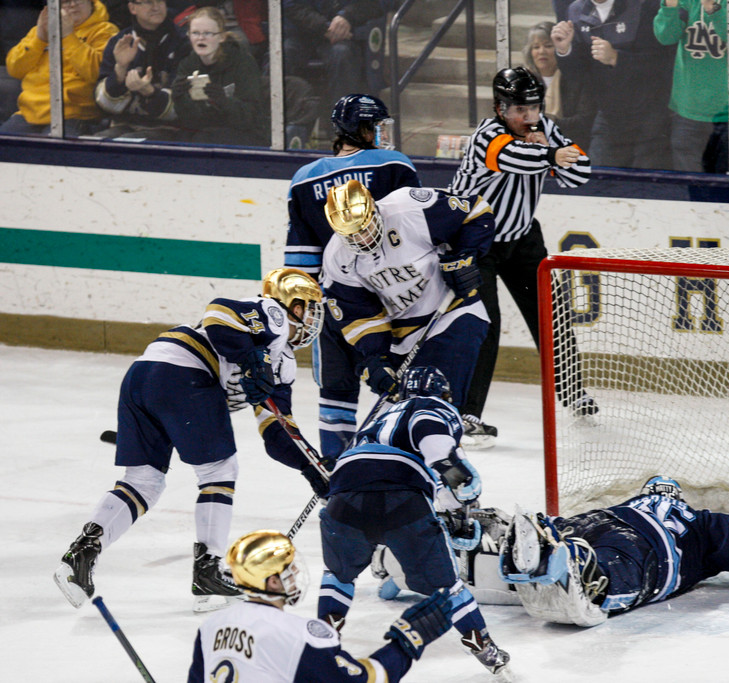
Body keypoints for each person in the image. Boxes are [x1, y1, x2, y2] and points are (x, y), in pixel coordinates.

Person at [54, 268, 329, 613]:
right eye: (311, 308)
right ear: (295, 305)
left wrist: (310, 466)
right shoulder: (271, 314)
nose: (314, 318)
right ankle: (208, 572)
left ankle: (81, 554)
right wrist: (251, 358)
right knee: (219, 471)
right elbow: (217, 313)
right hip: (185, 372)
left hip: (144, 375)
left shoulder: (283, 365)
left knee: (144, 482)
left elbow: (277, 431)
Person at [317, 366, 511, 675]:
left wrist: (451, 499)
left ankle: (323, 644)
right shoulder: (430, 406)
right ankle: (485, 649)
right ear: (444, 394)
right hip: (402, 503)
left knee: (337, 576)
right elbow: (431, 436)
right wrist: (458, 479)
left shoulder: (379, 416)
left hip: (343, 502)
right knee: (448, 586)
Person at [448, 66, 594, 448]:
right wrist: (550, 153)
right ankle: (466, 414)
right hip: (474, 241)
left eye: (534, 107)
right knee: (484, 325)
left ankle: (574, 393)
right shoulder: (487, 136)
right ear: (500, 108)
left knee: (551, 313)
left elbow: (582, 172)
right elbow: (514, 159)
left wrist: (552, 152)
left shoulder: (542, 127)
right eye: (520, 109)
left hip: (522, 238)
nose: (529, 116)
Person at [499, 476, 729, 626]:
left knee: (561, 534)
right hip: (648, 543)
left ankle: (514, 555)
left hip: (597, 521)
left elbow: (581, 522)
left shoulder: (624, 504)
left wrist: (553, 529)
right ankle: (583, 573)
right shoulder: (698, 521)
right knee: (623, 568)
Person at [286, 93, 420, 461]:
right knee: (394, 389)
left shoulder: (304, 179)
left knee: (336, 396)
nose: (382, 133)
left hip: (332, 305)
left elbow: (300, 261)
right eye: (376, 126)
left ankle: (337, 476)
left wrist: (304, 316)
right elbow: (415, 231)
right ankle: (393, 473)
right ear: (359, 129)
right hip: (388, 300)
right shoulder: (393, 164)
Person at [320, 179, 494, 413]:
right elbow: (359, 316)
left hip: (452, 312)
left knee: (434, 408)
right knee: (392, 418)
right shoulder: (337, 259)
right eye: (350, 235)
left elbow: (476, 212)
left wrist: (464, 256)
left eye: (365, 228)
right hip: (401, 335)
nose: (361, 240)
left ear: (375, 210)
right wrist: (376, 358)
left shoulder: (409, 208)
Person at [187, 529, 453, 682]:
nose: (295, 575)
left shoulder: (211, 627)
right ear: (271, 583)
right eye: (288, 571)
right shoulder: (296, 634)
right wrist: (406, 642)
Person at [550, 0, 674, 169]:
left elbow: (661, 63)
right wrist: (564, 50)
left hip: (651, 117)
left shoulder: (644, 5)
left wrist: (617, 58)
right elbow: (577, 75)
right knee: (598, 181)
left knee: (647, 186)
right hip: (609, 117)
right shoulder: (575, 10)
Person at [653, 0, 729, 173]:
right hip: (688, 109)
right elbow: (665, 36)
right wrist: (670, 6)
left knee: (727, 190)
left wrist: (712, 8)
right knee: (689, 188)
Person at [1, 0, 118, 136]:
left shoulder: (104, 30)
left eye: (78, 1)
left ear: (91, 3)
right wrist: (39, 39)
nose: (73, 5)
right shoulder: (41, 30)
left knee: (54, 153)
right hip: (30, 112)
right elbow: (14, 69)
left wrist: (69, 37)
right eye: (66, 2)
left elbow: (97, 73)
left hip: (76, 114)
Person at [169, 5, 268, 146]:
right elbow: (190, 122)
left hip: (246, 134)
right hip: (205, 132)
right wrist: (179, 99)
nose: (200, 38)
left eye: (208, 33)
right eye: (195, 33)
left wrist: (223, 101)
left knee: (203, 140)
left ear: (221, 37)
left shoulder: (243, 62)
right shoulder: (187, 65)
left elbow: (250, 118)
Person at [93, 0, 190, 140]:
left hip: (169, 129)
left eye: (160, 1)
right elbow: (104, 105)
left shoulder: (183, 42)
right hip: (122, 125)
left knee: (127, 145)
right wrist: (120, 70)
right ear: (132, 7)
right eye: (148, 2)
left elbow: (183, 108)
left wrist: (150, 92)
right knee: (95, 145)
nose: (156, 7)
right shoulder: (119, 42)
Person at [282, 0, 386, 102]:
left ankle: (342, 115)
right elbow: (289, 5)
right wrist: (323, 27)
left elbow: (379, 4)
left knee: (342, 54)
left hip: (347, 34)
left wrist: (347, 15)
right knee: (282, 54)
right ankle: (281, 115)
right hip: (301, 32)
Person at [521, 20, 595, 151]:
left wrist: (551, 122)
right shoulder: (524, 81)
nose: (541, 51)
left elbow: (585, 120)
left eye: (548, 46)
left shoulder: (576, 78)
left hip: (572, 145)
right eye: (536, 47)